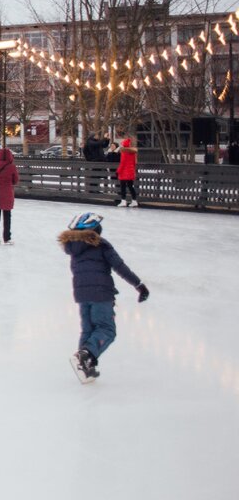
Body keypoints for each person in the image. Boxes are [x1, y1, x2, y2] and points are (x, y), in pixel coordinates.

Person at [60, 212, 149, 383]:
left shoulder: (73, 247)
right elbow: (120, 267)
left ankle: (86, 367)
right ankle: (86, 355)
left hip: (81, 294)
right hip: (101, 293)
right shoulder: (101, 245)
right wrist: (139, 285)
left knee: (88, 330)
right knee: (107, 329)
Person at [115, 137, 139, 206]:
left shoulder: (124, 153)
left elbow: (122, 163)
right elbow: (134, 163)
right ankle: (134, 201)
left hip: (124, 172)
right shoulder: (133, 153)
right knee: (131, 186)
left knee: (123, 187)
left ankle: (123, 201)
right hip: (130, 171)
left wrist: (118, 171)